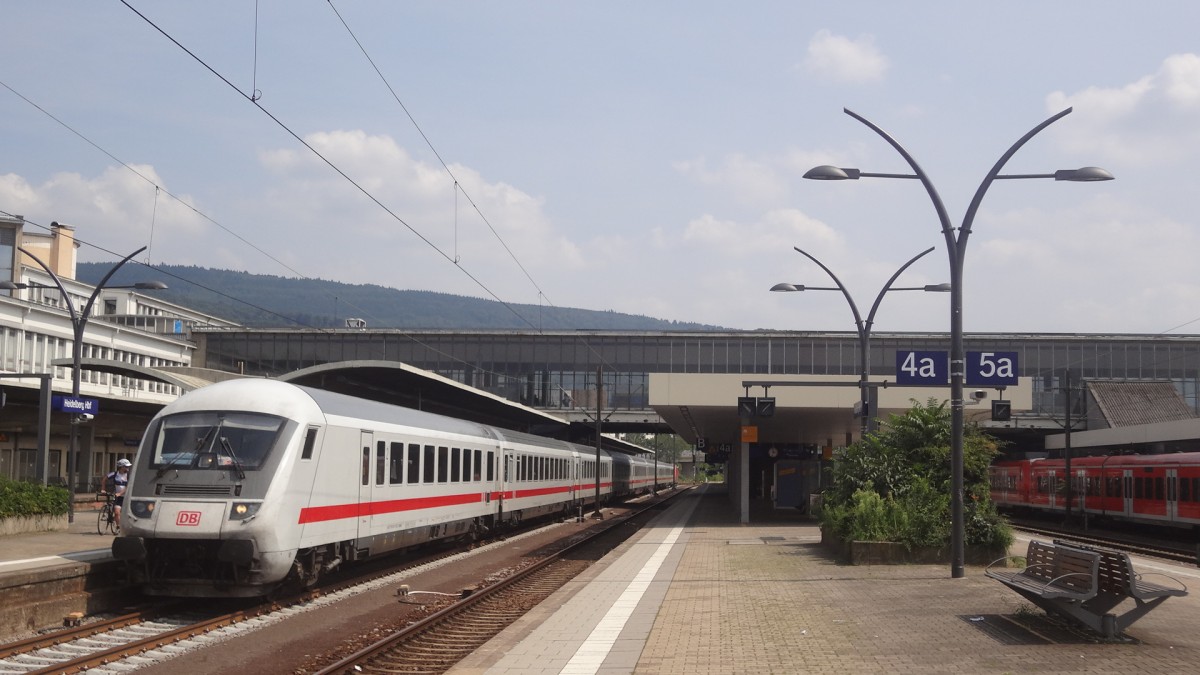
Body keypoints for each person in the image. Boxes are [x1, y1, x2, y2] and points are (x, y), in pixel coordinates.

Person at [106, 458, 132, 525]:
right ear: (121, 467)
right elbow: (104, 479)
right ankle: (118, 527)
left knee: (126, 515)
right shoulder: (114, 474)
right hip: (118, 498)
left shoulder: (129, 476)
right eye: (126, 467)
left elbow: (128, 487)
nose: (128, 468)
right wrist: (103, 489)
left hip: (127, 497)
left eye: (128, 466)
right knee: (117, 513)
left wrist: (120, 493)